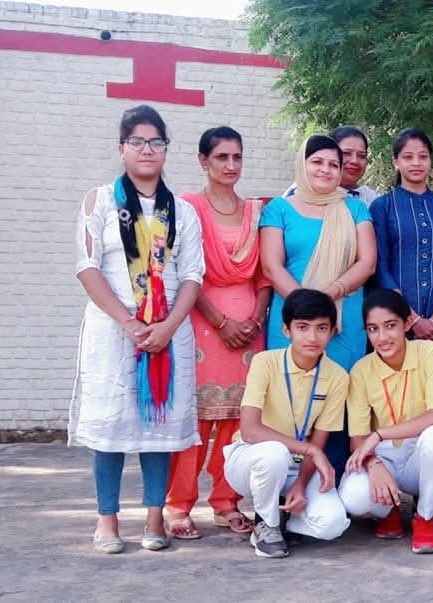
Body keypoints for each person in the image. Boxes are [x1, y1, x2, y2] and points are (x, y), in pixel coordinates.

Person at [71, 105, 204, 554]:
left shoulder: (181, 211)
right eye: (137, 142)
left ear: (166, 149)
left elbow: (192, 275)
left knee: (158, 422)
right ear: (121, 148)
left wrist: (167, 326)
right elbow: (88, 267)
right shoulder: (100, 201)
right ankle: (106, 519)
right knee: (111, 425)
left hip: (168, 329)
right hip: (114, 328)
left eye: (156, 142)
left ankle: (154, 517)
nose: (147, 150)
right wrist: (128, 321)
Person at [166, 127, 269, 539]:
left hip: (249, 330)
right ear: (203, 161)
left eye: (236, 157)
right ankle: (178, 505)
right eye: (222, 157)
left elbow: (263, 274)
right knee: (195, 422)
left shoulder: (255, 212)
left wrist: (256, 318)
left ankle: (226, 501)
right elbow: (183, 271)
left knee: (238, 420)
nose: (230, 165)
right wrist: (221, 322)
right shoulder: (187, 208)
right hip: (201, 324)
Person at [261, 134, 377, 474]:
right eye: (317, 162)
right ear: (302, 163)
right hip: (291, 319)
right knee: (288, 400)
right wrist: (306, 309)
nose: (325, 170)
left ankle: (335, 480)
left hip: (344, 319)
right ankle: (287, 481)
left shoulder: (354, 209)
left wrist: (329, 296)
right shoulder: (278, 209)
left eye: (333, 164)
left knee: (340, 398)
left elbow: (367, 262)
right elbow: (271, 266)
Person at [223, 289, 350, 558]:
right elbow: (250, 431)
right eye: (302, 327)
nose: (312, 337)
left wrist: (301, 484)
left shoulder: (338, 377)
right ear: (286, 330)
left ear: (332, 332)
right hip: (250, 459)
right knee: (275, 453)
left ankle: (284, 519)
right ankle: (266, 526)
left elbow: (318, 443)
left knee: (333, 524)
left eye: (321, 328)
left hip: (298, 466)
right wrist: (310, 450)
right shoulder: (265, 362)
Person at [339, 289, 433, 554]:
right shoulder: (361, 370)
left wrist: (380, 434)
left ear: (407, 323)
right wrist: (374, 463)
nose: (382, 337)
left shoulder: (429, 352)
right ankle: (388, 510)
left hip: (420, 455)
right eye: (373, 329)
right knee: (353, 498)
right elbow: (358, 439)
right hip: (383, 457)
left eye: (390, 326)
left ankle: (424, 518)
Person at [371, 128, 433, 364]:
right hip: (395, 316)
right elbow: (381, 269)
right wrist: (412, 319)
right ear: (395, 161)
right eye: (408, 157)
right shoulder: (382, 207)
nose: (416, 163)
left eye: (423, 156)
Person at [283, 126, 380, 205]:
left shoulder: (373, 199)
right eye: (346, 153)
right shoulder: (300, 194)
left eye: (361, 155)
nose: (354, 161)